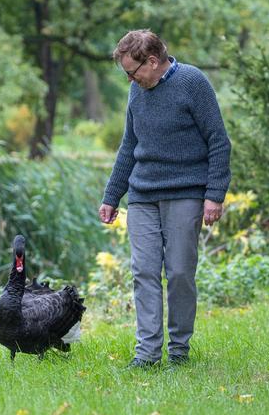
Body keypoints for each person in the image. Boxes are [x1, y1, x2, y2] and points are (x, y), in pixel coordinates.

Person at [99, 29, 231, 369]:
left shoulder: (192, 83)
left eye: (132, 71)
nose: (129, 78)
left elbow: (218, 140)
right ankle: (146, 354)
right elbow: (129, 145)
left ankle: (179, 351)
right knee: (143, 271)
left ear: (153, 61)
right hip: (143, 195)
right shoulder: (136, 92)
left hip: (185, 193)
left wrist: (214, 194)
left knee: (180, 273)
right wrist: (112, 195)